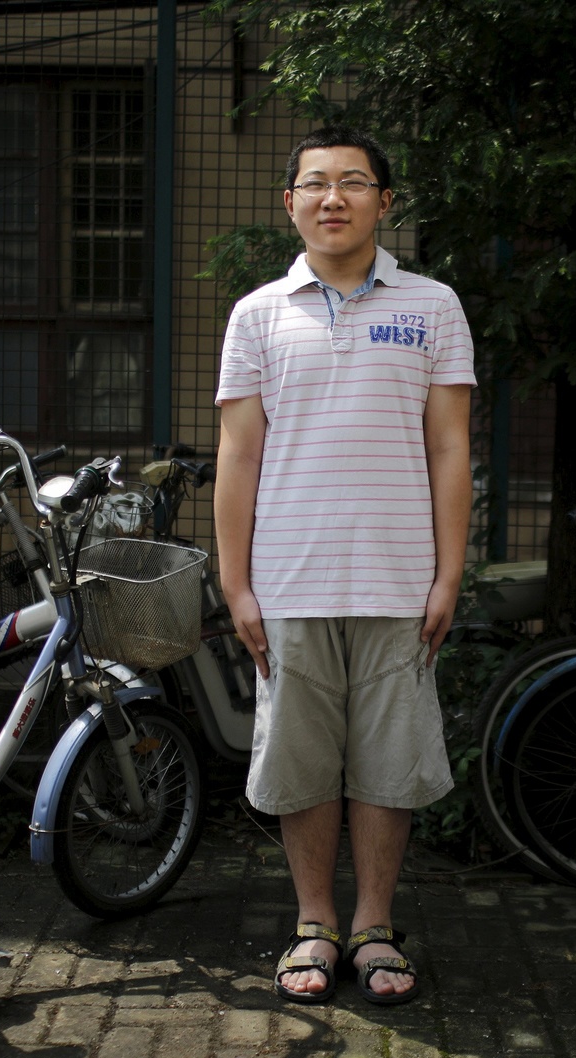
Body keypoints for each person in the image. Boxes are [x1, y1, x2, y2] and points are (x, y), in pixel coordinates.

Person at [213, 126, 475, 1006]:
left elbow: (450, 448)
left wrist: (446, 575)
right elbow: (238, 456)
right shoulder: (257, 314)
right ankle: (313, 923)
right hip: (288, 580)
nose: (334, 198)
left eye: (354, 183)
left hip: (399, 580)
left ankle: (373, 925)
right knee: (301, 762)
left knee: (388, 762)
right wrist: (236, 581)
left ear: (384, 202)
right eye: (316, 184)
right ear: (289, 202)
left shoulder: (433, 306)